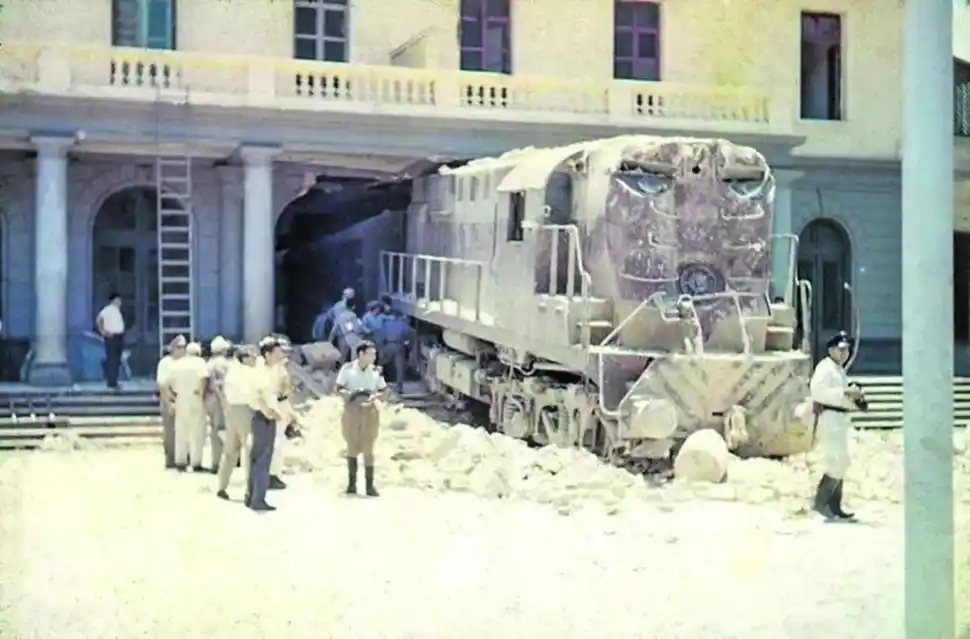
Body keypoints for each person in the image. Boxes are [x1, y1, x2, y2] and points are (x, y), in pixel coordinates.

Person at [810, 330, 866, 521]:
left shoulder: (839, 370)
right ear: (831, 349)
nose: (844, 354)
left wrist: (857, 400)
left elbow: (844, 398)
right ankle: (821, 503)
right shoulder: (825, 368)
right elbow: (818, 392)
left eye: (847, 350)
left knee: (842, 461)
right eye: (841, 350)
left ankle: (835, 506)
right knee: (836, 461)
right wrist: (845, 391)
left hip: (840, 419)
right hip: (829, 417)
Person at [335, 341, 387, 497]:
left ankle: (369, 486)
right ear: (361, 354)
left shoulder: (376, 371)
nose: (374, 357)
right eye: (371, 353)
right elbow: (338, 388)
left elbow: (383, 390)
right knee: (352, 445)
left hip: (370, 411)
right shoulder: (348, 369)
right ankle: (351, 484)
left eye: (374, 354)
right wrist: (349, 395)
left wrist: (376, 396)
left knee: (369, 448)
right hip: (352, 410)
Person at [246, 337, 286, 512]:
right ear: (268, 354)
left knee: (257, 458)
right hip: (263, 417)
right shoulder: (261, 371)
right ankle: (258, 499)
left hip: (264, 415)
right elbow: (259, 395)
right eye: (277, 353)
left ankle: (251, 495)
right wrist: (270, 412)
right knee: (263, 458)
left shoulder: (269, 370)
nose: (280, 356)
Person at [216, 345, 258, 501]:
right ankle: (250, 489)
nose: (254, 360)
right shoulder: (248, 373)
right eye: (252, 357)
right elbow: (254, 394)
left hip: (232, 411)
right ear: (245, 358)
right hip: (245, 410)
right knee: (248, 451)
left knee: (230, 451)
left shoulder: (231, 372)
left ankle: (222, 485)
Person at [164, 341, 210, 472]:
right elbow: (203, 378)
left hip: (180, 398)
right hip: (195, 397)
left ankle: (180, 461)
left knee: (181, 430)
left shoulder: (177, 364)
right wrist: (201, 394)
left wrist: (172, 397)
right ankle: (196, 462)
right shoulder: (199, 363)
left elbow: (165, 384)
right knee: (197, 431)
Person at [156, 335, 186, 469]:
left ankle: (183, 458)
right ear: (173, 348)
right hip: (170, 397)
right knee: (170, 431)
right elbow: (162, 384)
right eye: (179, 347)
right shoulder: (165, 363)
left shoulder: (186, 362)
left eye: (184, 347)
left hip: (184, 399)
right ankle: (170, 458)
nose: (182, 350)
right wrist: (169, 402)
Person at [205, 335, 232, 473]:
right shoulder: (224, 364)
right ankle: (224, 462)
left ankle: (216, 461)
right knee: (223, 430)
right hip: (220, 399)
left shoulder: (208, 363)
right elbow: (221, 385)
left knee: (214, 432)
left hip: (209, 399)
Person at [377, 308, 414, 394]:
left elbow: (381, 337)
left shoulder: (385, 324)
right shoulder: (402, 324)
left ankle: (378, 384)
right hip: (399, 346)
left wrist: (381, 349)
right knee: (400, 367)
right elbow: (410, 333)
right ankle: (399, 388)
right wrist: (407, 344)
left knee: (380, 364)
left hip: (388, 346)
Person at [96, 293, 126, 390]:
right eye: (118, 300)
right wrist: (103, 332)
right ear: (114, 300)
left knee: (116, 359)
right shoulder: (107, 310)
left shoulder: (117, 311)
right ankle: (111, 381)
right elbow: (99, 320)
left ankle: (114, 380)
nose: (120, 302)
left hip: (118, 336)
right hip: (111, 336)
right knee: (112, 359)